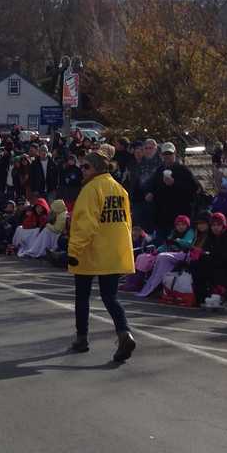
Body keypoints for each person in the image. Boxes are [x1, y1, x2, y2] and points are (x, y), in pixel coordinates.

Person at [66, 151, 136, 362]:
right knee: (110, 297)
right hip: (114, 250)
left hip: (91, 250)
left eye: (86, 166)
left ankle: (82, 338)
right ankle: (124, 332)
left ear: (96, 168)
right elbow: (127, 222)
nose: (82, 170)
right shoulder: (119, 189)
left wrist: (74, 251)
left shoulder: (91, 189)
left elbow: (86, 224)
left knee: (82, 296)